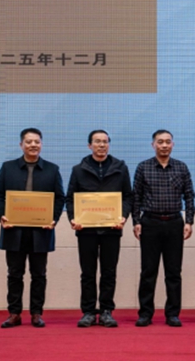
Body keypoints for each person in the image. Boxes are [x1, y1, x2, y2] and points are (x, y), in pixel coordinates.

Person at [0, 128, 65, 329]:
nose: (33, 145)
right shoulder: (8, 168)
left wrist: (53, 219)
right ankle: (14, 314)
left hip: (41, 231)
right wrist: (2, 215)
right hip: (14, 230)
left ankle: (36, 314)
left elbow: (60, 198)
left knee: (39, 274)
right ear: (21, 145)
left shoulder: (52, 169)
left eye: (37, 142)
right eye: (29, 142)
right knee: (14, 274)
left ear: (41, 144)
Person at [67, 129, 133, 328]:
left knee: (109, 272)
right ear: (90, 145)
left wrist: (123, 216)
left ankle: (106, 311)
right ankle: (88, 312)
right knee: (87, 273)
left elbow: (128, 196)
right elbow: (70, 198)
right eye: (97, 141)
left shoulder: (120, 168)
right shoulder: (78, 170)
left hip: (112, 228)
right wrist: (73, 219)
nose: (101, 145)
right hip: (86, 229)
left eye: (105, 141)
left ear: (108, 145)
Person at [132, 130, 195, 328]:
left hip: (174, 223)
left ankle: (173, 314)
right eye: (160, 142)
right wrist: (136, 221)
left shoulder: (181, 167)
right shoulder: (143, 167)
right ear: (153, 145)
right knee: (148, 271)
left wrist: (189, 221)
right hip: (150, 223)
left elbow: (189, 196)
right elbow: (136, 197)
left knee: (174, 272)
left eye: (168, 142)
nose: (164, 145)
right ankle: (145, 314)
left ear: (173, 145)